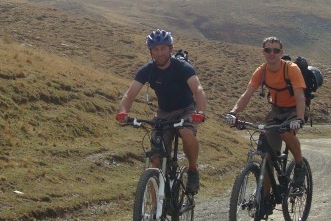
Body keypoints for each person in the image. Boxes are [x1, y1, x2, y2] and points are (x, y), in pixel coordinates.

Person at [116, 29, 207, 193]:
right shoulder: (148, 70)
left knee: (186, 132)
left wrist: (199, 113)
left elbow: (198, 90)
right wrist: (123, 112)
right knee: (155, 160)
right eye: (155, 49)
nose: (160, 53)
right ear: (150, 51)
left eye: (163, 48)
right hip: (164, 113)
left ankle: (193, 169)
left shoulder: (182, 67)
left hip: (186, 109)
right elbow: (130, 94)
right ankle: (153, 212)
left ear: (170, 49)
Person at [226, 36, 308, 191]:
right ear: (263, 52)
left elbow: (300, 96)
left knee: (286, 133)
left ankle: (299, 166)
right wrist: (233, 112)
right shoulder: (261, 71)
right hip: (276, 110)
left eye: (276, 50)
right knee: (267, 156)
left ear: (281, 52)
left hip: (294, 110)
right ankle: (264, 200)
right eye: (268, 50)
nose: (272, 53)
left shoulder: (291, 69)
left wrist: (299, 118)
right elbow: (247, 94)